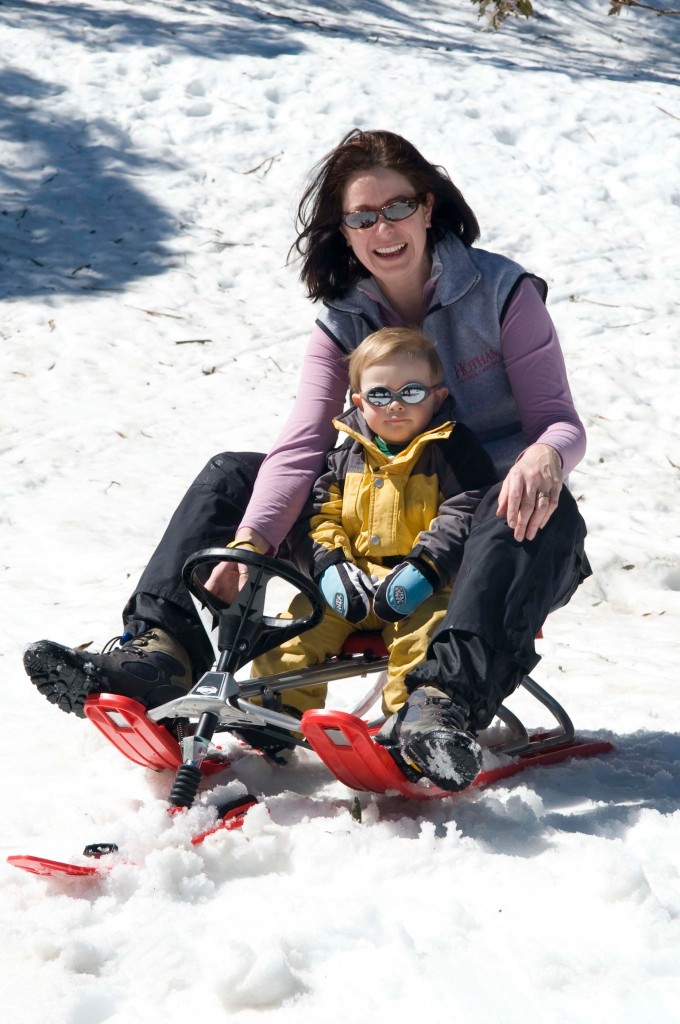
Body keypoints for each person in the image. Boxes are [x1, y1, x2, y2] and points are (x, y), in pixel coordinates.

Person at [24, 128, 590, 792]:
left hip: (485, 532)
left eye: (398, 207)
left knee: (523, 499)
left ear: (428, 207)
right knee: (232, 475)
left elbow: (559, 419)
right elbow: (301, 450)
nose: (384, 227)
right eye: (363, 216)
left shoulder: (502, 293)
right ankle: (159, 653)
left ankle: (439, 706)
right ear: (344, 231)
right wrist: (251, 540)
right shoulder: (342, 322)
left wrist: (546, 455)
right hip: (369, 521)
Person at [250, 326, 497, 784]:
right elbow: (321, 513)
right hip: (356, 585)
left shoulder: (453, 450)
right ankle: (272, 717)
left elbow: (465, 513)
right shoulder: (347, 454)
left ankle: (411, 730)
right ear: (359, 400)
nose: (395, 405)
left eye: (411, 391)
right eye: (380, 394)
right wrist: (330, 566)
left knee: (425, 644)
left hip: (425, 587)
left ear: (438, 396)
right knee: (296, 627)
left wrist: (424, 567)